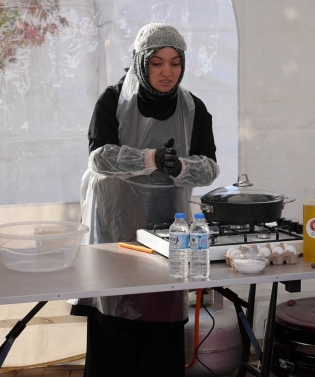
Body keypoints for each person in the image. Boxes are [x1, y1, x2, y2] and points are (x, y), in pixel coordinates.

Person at [72, 23, 219, 377]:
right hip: (114, 226)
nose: (167, 72)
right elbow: (99, 158)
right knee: (114, 325)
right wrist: (151, 159)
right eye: (156, 63)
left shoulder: (193, 108)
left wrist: (179, 165)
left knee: (160, 321)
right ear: (140, 62)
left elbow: (209, 168)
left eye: (175, 63)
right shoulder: (113, 100)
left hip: (168, 232)